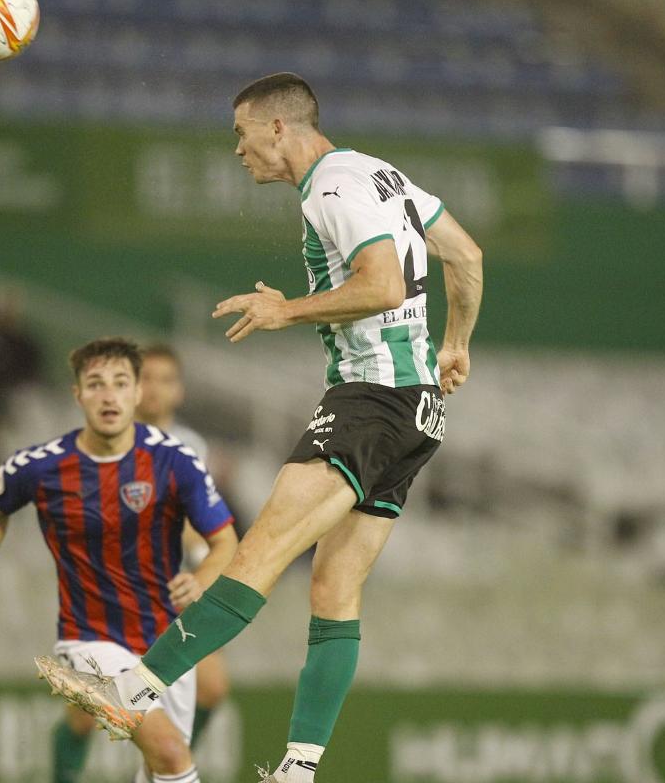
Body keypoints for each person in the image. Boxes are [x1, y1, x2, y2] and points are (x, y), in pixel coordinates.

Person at [36, 73, 484, 782]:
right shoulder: (379, 174)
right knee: (334, 591)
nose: (237, 149)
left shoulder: (331, 186)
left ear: (278, 128)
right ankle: (299, 768)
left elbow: (384, 285)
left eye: (241, 133)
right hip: (419, 412)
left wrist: (288, 311)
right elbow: (466, 257)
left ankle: (130, 690)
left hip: (370, 399)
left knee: (258, 555)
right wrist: (456, 342)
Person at [0, 337, 238, 783]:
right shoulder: (43, 465)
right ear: (78, 394)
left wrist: (200, 578)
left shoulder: (177, 459)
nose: (108, 395)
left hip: (167, 643)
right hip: (90, 640)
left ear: (136, 393)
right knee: (170, 752)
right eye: (96, 384)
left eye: (120, 383)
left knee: (164, 764)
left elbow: (225, 542)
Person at [135, 344, 234, 749]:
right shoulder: (111, 438)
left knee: (211, 688)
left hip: (168, 581)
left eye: (166, 380)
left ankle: (170, 766)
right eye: (146, 378)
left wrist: (200, 566)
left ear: (180, 391)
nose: (155, 389)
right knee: (85, 717)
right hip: (119, 581)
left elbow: (199, 520)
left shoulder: (191, 444)